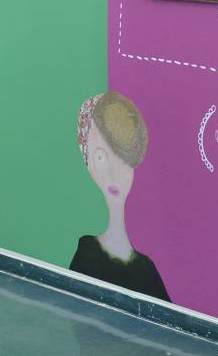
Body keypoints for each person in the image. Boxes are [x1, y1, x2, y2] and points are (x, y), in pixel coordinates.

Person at [68, 92, 169, 301]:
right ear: (88, 160)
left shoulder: (147, 270)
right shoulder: (86, 255)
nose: (114, 173)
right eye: (100, 157)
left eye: (123, 159)